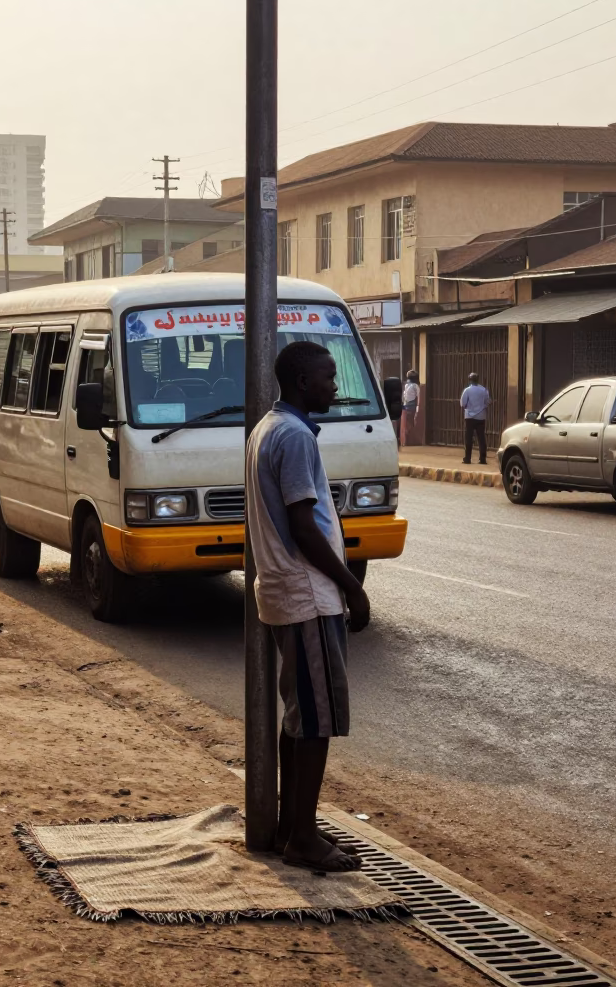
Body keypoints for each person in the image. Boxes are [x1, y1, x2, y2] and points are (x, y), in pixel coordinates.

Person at [246, 340, 369, 874]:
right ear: (302, 382)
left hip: (284, 591)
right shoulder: (293, 436)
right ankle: (301, 837)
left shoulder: (268, 429)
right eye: (327, 377)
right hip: (306, 592)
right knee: (315, 720)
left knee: (299, 716)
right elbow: (303, 528)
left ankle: (294, 825)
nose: (334, 386)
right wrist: (352, 586)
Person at [460, 372, 492, 465]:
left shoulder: (467, 390)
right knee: (481, 438)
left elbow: (462, 403)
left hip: (469, 417)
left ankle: (467, 458)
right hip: (481, 416)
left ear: (470, 380)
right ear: (478, 380)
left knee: (468, 438)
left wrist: (468, 408)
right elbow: (487, 402)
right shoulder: (483, 390)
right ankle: (482, 459)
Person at [401, 369, 420, 446]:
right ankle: (406, 439)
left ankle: (406, 440)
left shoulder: (409, 385)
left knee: (408, 423)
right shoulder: (412, 385)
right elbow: (418, 397)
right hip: (409, 406)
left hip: (408, 405)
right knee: (409, 423)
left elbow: (418, 397)